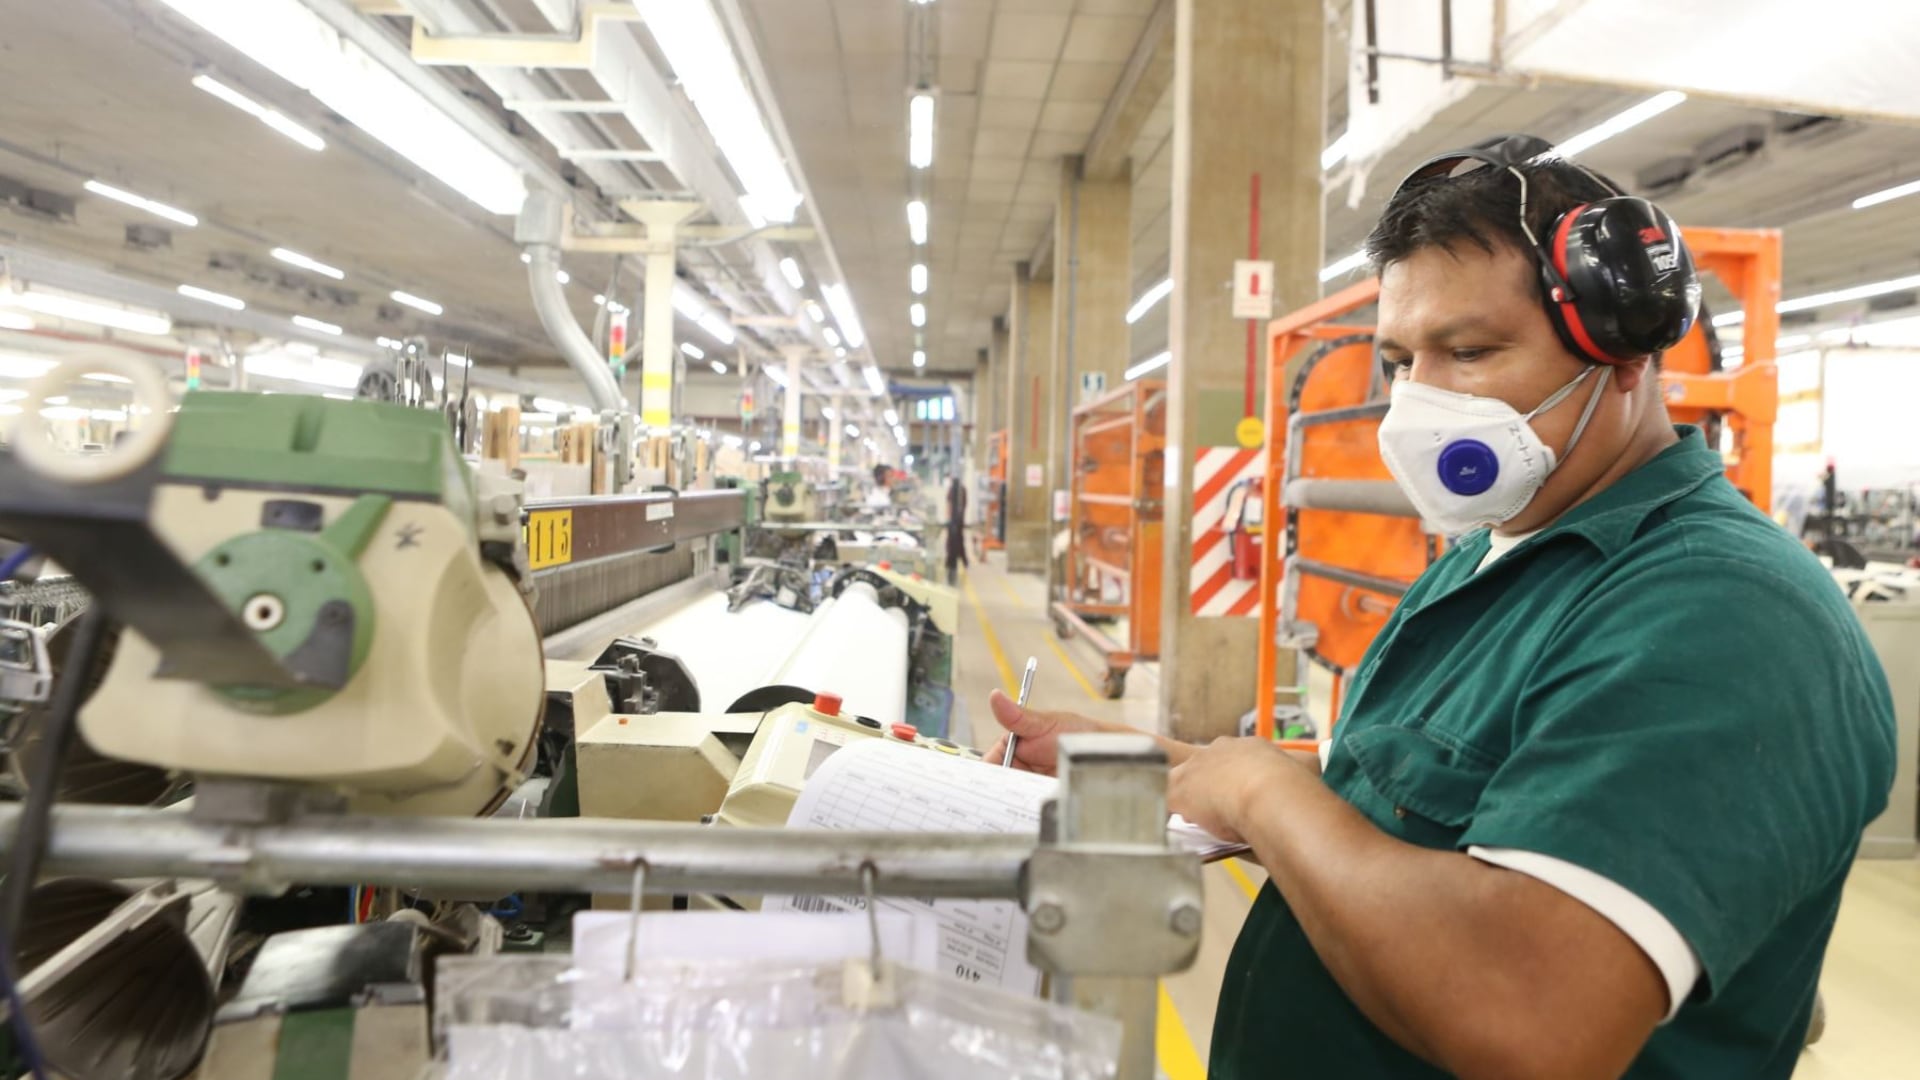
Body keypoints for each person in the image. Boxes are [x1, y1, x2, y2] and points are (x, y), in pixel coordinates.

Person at [986, 135, 1896, 1079]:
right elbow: (1395, 831)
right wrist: (1155, 773)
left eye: (1467, 350)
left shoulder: (1724, 614)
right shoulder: (1494, 558)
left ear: (1624, 355)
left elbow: (1532, 1017)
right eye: (1397, 360)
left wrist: (1261, 788)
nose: (1417, 401)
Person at [945, 475, 969, 585]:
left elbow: (949, 505)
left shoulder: (955, 490)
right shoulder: (963, 490)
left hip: (956, 522)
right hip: (959, 521)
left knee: (953, 543)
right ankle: (963, 561)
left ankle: (954, 563)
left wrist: (949, 518)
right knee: (958, 541)